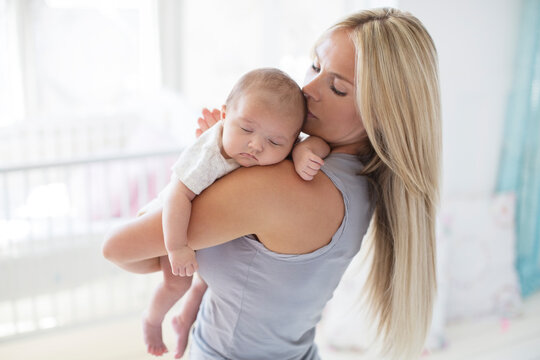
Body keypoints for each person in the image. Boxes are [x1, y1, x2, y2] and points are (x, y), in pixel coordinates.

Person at [102, 7, 441, 360]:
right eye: (314, 65)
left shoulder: (281, 185)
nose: (307, 89)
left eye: (337, 88)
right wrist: (198, 301)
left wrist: (197, 173)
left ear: (382, 112)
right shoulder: (358, 181)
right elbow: (257, 270)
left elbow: (117, 247)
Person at [106, 67, 331, 357]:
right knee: (179, 282)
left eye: (275, 142)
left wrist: (303, 153)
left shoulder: (276, 139)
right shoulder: (210, 153)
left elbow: (321, 142)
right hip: (172, 218)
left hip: (211, 228)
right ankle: (152, 319)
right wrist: (177, 248)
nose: (256, 145)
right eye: (246, 129)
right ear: (224, 117)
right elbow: (178, 195)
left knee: (209, 278)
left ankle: (185, 319)